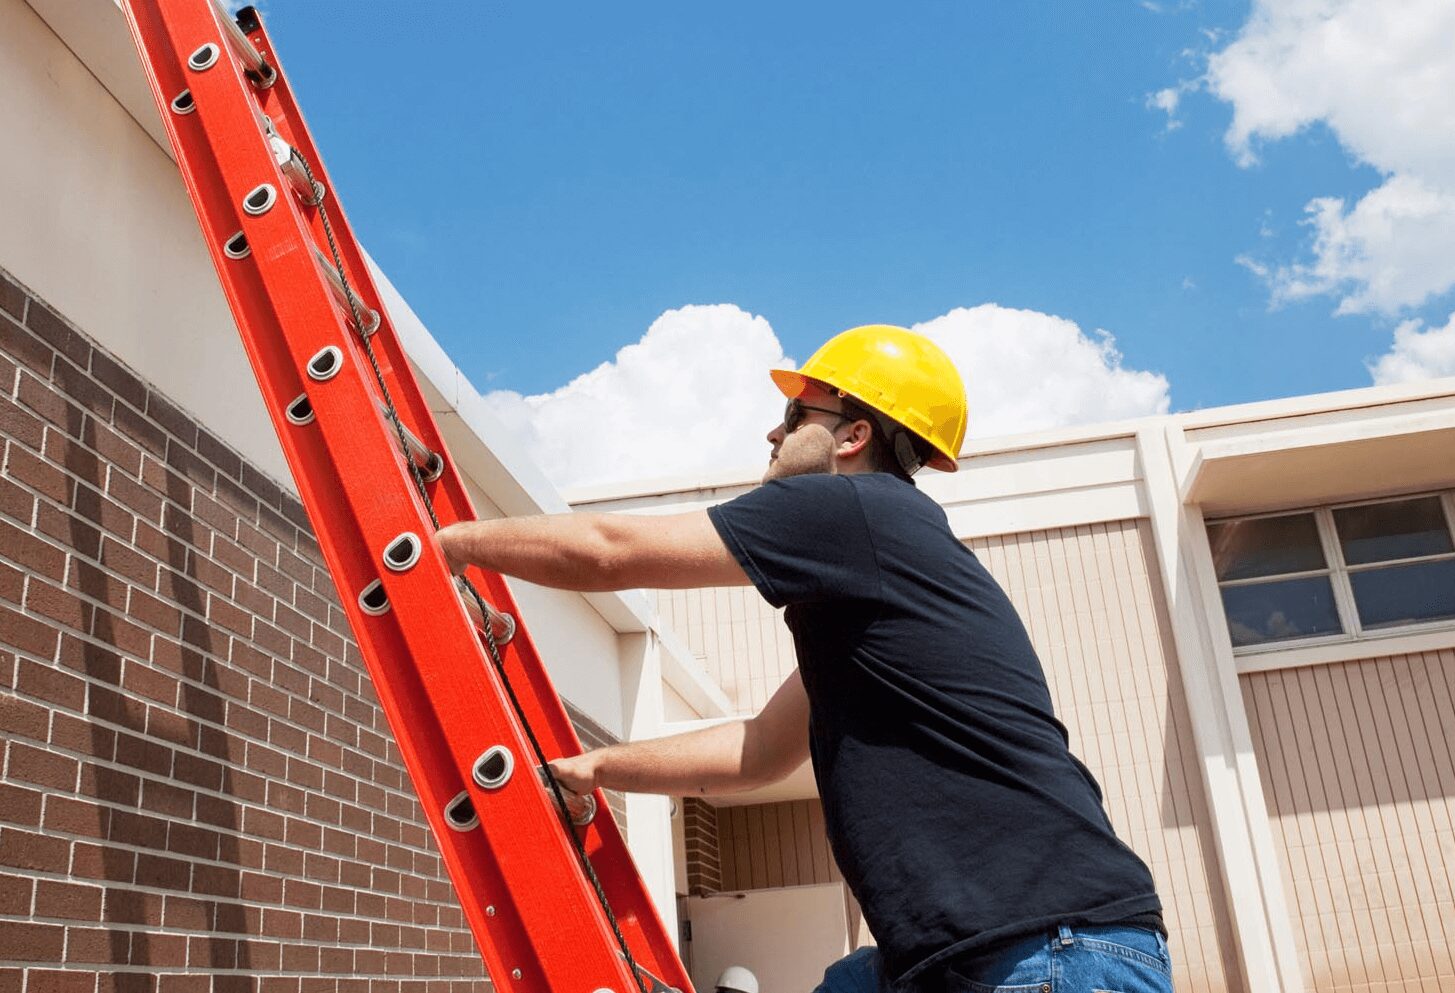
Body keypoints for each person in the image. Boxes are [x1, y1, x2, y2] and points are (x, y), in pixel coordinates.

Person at [436, 325, 1173, 993]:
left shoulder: (855, 510)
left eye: (795, 416)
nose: (772, 430)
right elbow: (757, 750)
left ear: (851, 435)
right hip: (995, 948)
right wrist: (600, 767)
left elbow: (609, 552)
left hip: (1043, 950)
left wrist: (451, 544)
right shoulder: (876, 583)